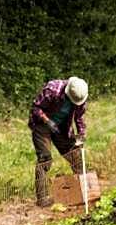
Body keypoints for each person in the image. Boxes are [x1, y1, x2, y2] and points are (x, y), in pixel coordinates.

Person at [28, 76, 88, 207]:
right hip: (42, 125)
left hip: (62, 126)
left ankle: (84, 190)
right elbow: (35, 108)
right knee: (45, 159)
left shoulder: (80, 98)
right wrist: (48, 121)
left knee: (75, 155)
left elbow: (79, 118)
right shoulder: (52, 89)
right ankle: (42, 198)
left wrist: (81, 135)